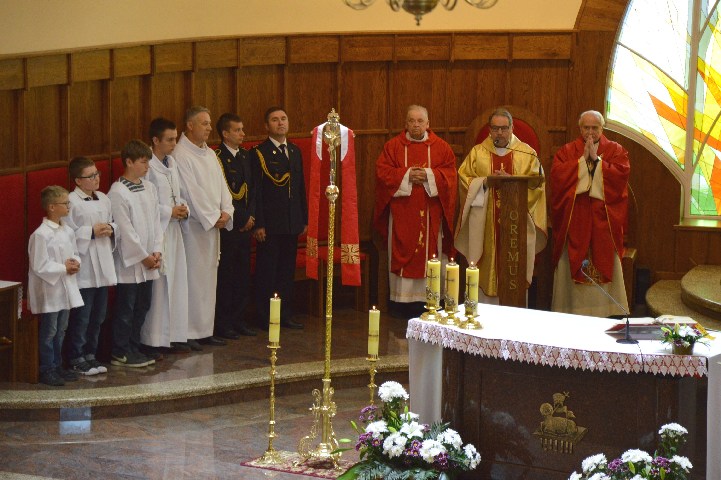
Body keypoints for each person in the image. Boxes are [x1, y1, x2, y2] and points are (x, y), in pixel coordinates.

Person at [455, 108, 547, 305]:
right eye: (495, 128)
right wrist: (485, 182)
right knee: (487, 262)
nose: (500, 133)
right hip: (486, 223)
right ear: (490, 129)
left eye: (504, 128)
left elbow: (537, 185)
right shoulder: (478, 152)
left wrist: (512, 182)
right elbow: (464, 179)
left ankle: (515, 308)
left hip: (516, 223)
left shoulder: (527, 153)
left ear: (512, 128)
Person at [373, 104, 457, 317]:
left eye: (420, 121)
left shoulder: (441, 148)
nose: (416, 125)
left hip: (431, 212)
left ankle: (430, 299)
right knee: (402, 247)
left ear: (428, 124)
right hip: (402, 212)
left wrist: (429, 175)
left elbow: (450, 176)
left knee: (430, 253)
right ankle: (402, 302)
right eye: (412, 121)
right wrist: (406, 175)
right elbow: (382, 173)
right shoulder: (393, 147)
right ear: (406, 123)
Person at [551, 110, 630, 317]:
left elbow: (620, 177)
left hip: (604, 222)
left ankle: (605, 311)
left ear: (602, 129)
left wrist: (596, 161)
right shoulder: (567, 151)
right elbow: (557, 178)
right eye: (586, 127)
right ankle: (571, 309)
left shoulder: (615, 150)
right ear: (580, 128)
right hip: (575, 220)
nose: (590, 132)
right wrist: (581, 162)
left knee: (604, 259)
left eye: (595, 128)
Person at [174, 106, 234, 348]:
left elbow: (223, 186)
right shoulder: (180, 155)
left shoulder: (209, 153)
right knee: (193, 280)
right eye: (205, 123)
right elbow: (190, 192)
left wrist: (227, 211)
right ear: (190, 125)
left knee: (209, 281)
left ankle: (205, 329)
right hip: (194, 229)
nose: (210, 128)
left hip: (212, 226)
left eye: (209, 123)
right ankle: (189, 332)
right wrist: (212, 216)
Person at [250, 106, 307, 330]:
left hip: (291, 222)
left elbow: (300, 188)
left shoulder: (294, 151)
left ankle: (285, 315)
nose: (280, 123)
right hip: (270, 224)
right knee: (268, 272)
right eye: (275, 120)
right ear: (267, 126)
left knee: (285, 272)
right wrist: (259, 223)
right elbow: (256, 191)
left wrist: (303, 218)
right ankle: (265, 317)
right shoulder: (259, 153)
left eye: (283, 118)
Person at [108, 140, 163, 367]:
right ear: (129, 162)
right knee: (126, 308)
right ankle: (120, 351)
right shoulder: (118, 192)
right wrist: (143, 256)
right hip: (131, 263)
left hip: (150, 259)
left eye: (148, 162)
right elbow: (125, 230)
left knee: (143, 305)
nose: (147, 166)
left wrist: (157, 250)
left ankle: (134, 346)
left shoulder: (149, 187)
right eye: (143, 162)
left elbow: (156, 222)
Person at [139, 118, 192, 356]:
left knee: (176, 283)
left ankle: (173, 336)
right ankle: (152, 340)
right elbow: (145, 201)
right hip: (158, 232)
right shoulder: (147, 166)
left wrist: (182, 208)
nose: (174, 143)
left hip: (174, 231)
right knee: (160, 288)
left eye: (175, 138)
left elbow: (177, 193)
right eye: (169, 139)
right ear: (155, 140)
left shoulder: (171, 163)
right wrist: (168, 211)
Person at [64, 157, 117, 376]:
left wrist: (111, 228)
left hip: (103, 263)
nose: (96, 179)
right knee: (83, 317)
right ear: (78, 180)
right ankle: (76, 356)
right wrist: (91, 232)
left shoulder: (104, 198)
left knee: (98, 316)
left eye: (97, 174)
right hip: (84, 266)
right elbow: (67, 233)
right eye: (91, 176)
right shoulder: (71, 201)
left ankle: (90, 354)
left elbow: (113, 221)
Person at [28, 185, 84, 386]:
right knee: (50, 331)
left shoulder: (67, 230)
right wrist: (63, 267)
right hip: (50, 290)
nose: (69, 206)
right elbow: (39, 265)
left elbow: (75, 252)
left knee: (61, 329)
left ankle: (58, 365)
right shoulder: (41, 234)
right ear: (52, 207)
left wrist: (76, 262)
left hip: (66, 287)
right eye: (65, 203)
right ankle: (47, 368)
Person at [214, 113, 256, 338]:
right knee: (227, 277)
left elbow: (252, 189)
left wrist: (251, 217)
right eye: (237, 130)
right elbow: (225, 194)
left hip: (246, 226)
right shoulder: (218, 157)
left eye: (242, 129)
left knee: (242, 275)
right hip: (230, 226)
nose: (242, 134)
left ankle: (239, 319)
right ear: (225, 133)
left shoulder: (245, 156)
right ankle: (224, 323)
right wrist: (241, 218)